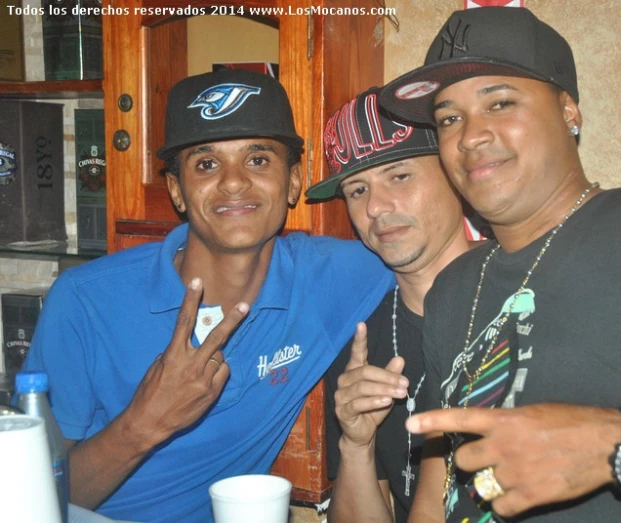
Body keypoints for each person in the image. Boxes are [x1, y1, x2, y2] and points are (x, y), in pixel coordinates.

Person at [378, 6, 621, 522]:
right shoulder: (453, 288)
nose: (470, 135)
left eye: (499, 102)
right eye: (449, 118)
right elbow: (439, 496)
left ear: (569, 111)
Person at [22, 68, 394, 522]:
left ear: (295, 181)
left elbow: (435, 251)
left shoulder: (331, 277)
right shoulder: (82, 302)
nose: (234, 182)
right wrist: (144, 423)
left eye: (258, 159)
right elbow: (30, 500)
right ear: (177, 189)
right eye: (206, 163)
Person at [305, 86, 470, 523]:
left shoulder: (528, 295)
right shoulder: (359, 342)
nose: (376, 206)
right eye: (357, 190)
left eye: (399, 175)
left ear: (455, 174)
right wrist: (356, 446)